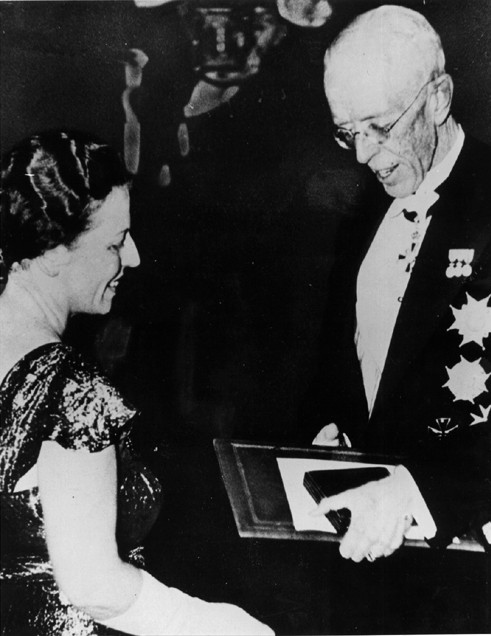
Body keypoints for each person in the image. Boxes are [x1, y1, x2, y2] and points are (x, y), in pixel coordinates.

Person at [0, 130, 273, 635]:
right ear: (57, 252)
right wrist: (226, 627)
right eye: (116, 241)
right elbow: (91, 585)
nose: (135, 258)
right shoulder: (74, 393)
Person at [301, 5, 491, 563]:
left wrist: (416, 492)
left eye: (379, 128)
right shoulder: (365, 210)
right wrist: (324, 425)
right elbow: (339, 356)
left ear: (438, 99)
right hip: (366, 540)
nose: (363, 155)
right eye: (346, 134)